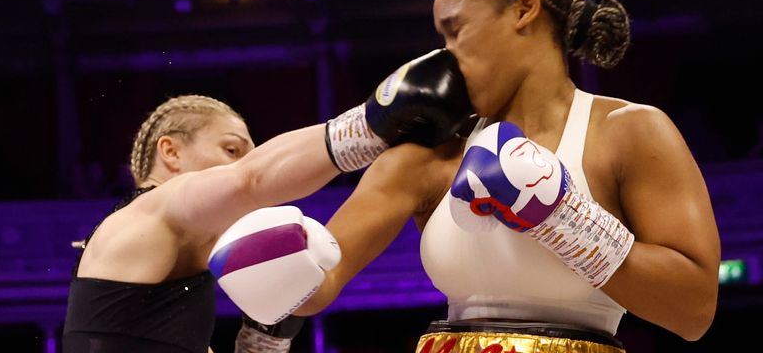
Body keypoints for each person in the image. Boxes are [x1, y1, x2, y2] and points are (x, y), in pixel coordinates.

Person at [295, 0, 721, 352]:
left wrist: (562, 216)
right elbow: (324, 277)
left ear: (524, 9)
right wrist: (277, 262)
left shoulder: (630, 131)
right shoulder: (434, 151)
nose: (444, 55)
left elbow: (694, 311)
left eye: (455, 30)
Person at [61, 47, 475, 353]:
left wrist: (260, 344)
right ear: (170, 152)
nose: (242, 161)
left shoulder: (168, 267)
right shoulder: (155, 210)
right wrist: (371, 127)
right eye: (231, 149)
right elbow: (253, 180)